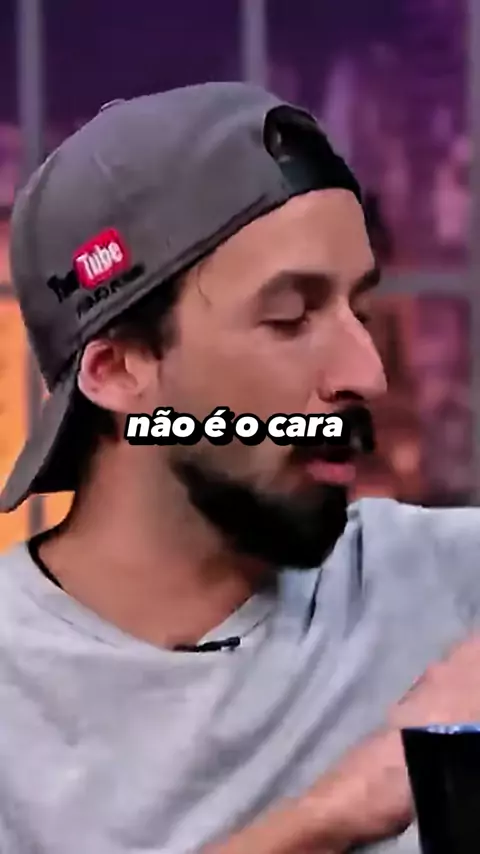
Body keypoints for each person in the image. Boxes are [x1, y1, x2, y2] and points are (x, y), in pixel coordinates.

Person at [1, 82, 480, 854]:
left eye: (359, 310)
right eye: (290, 318)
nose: (366, 374)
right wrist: (343, 807)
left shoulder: (450, 587)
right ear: (120, 370)